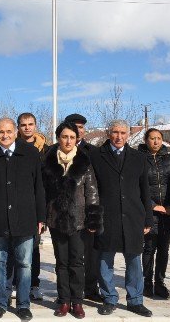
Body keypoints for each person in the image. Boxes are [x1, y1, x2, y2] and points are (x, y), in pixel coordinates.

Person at [0, 118, 45, 321]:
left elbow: (38, 188)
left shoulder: (31, 153)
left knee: (24, 264)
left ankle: (23, 304)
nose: (5, 135)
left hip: (25, 219)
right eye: (1, 132)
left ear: (15, 132)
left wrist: (41, 217)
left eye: (8, 131)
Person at [89, 120, 152, 317]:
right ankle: (109, 298)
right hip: (106, 217)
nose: (118, 136)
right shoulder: (96, 156)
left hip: (133, 217)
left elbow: (145, 190)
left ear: (128, 134)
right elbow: (92, 190)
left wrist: (148, 219)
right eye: (115, 132)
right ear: (109, 133)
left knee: (134, 261)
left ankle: (135, 300)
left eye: (123, 133)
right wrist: (92, 218)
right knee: (105, 261)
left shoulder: (139, 158)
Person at [42, 121, 103, 319]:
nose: (68, 141)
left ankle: (77, 302)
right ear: (58, 138)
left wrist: (93, 220)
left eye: (72, 137)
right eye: (64, 137)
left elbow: (92, 193)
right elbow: (42, 192)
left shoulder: (84, 162)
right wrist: (42, 217)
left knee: (77, 262)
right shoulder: (49, 160)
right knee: (61, 263)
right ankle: (64, 301)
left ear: (77, 139)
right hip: (56, 219)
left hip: (79, 220)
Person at [137, 128, 170, 300]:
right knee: (149, 249)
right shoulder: (138, 159)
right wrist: (153, 206)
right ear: (146, 140)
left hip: (168, 213)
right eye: (152, 138)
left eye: (158, 138)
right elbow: (136, 187)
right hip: (149, 212)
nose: (155, 141)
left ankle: (160, 282)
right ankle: (147, 284)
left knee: (163, 249)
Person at [64, 113, 101, 302]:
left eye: (81, 127)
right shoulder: (56, 150)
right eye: (74, 127)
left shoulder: (92, 151)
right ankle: (68, 294)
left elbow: (96, 184)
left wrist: (94, 213)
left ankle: (91, 289)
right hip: (65, 213)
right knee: (68, 257)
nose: (78, 130)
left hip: (87, 210)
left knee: (91, 253)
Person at [16, 112, 48, 301]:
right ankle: (15, 284)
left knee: (33, 248)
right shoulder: (12, 145)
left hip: (36, 204)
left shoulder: (47, 149)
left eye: (30, 124)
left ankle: (33, 284)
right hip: (15, 203)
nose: (27, 128)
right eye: (23, 124)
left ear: (35, 126)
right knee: (14, 249)